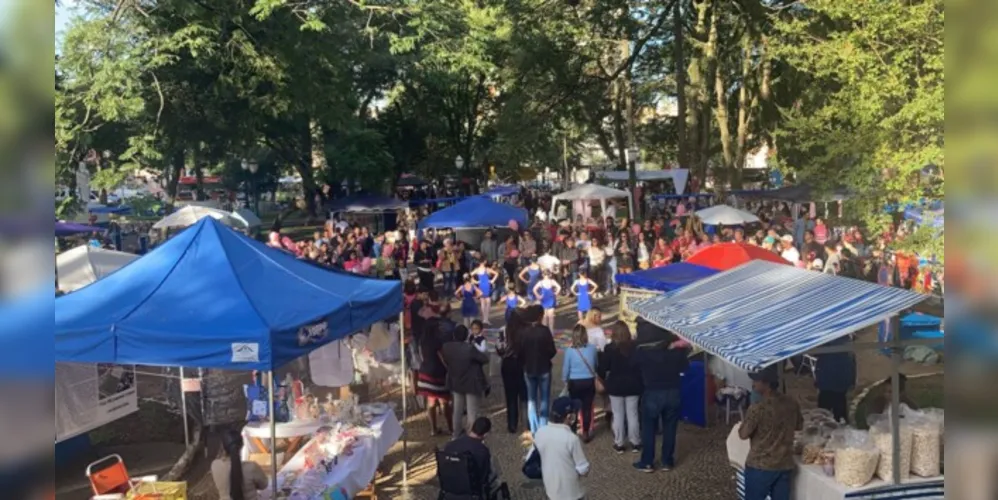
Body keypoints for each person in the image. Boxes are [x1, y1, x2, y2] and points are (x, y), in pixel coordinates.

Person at [632, 321, 690, 473]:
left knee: (648, 428)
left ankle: (647, 462)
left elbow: (634, 367)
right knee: (670, 428)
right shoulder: (676, 352)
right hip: (673, 391)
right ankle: (667, 461)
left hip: (652, 392)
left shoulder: (641, 353)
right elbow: (685, 367)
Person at [738, 366, 803, 500]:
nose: (753, 383)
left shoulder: (757, 408)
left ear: (766, 383)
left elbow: (743, 434)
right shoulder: (791, 403)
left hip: (760, 466)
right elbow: (799, 426)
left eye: (756, 380)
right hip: (784, 464)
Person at [533, 397, 590, 500]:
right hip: (572, 493)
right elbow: (583, 468)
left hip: (551, 489)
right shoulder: (572, 439)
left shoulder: (540, 433)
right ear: (569, 417)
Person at [599, 321, 642, 454]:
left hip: (616, 385)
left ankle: (619, 443)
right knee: (633, 414)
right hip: (633, 385)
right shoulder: (635, 347)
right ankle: (635, 442)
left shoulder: (609, 348)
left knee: (618, 415)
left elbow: (603, 368)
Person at [442, 417, 511, 500]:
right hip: (473, 491)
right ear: (485, 434)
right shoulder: (482, 451)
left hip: (451, 488)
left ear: (472, 428)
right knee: (495, 473)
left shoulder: (450, 446)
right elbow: (485, 476)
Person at [441, 325, 490, 438]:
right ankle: (471, 434)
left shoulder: (446, 347)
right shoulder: (469, 348)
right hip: (471, 381)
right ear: (466, 336)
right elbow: (484, 359)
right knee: (472, 411)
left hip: (456, 380)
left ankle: (456, 433)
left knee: (457, 410)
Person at [517, 305, 558, 434]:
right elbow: (552, 350)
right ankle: (543, 425)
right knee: (545, 398)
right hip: (544, 367)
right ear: (540, 316)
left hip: (529, 368)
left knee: (531, 399)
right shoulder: (545, 331)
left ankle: (534, 427)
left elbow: (520, 351)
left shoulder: (523, 332)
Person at [416, 303, 455, 436]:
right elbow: (442, 357)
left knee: (431, 401)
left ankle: (433, 429)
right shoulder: (437, 341)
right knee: (445, 401)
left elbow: (421, 354)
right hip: (438, 372)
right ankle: (451, 428)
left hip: (425, 370)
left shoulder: (422, 341)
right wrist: (450, 368)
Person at [562, 324, 600, 442]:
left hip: (574, 382)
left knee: (574, 408)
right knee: (587, 408)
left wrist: (565, 380)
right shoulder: (592, 348)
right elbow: (596, 364)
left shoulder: (569, 351)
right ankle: (585, 432)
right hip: (588, 380)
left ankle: (573, 430)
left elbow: (566, 368)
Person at [211, 429, 269, 500]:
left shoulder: (215, 466)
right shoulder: (251, 468)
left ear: (223, 447)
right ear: (242, 446)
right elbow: (264, 485)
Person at [813, 336, 857, 423]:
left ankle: (825, 427)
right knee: (840, 409)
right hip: (841, 381)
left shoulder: (824, 338)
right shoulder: (846, 339)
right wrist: (852, 380)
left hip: (826, 380)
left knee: (823, 412)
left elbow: (815, 353)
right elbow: (852, 361)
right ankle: (840, 425)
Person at [497, 310, 526, 433]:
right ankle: (526, 423)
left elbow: (499, 348)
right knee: (524, 395)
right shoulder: (525, 330)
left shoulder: (503, 330)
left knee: (510, 395)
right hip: (522, 363)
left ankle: (512, 424)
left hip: (508, 364)